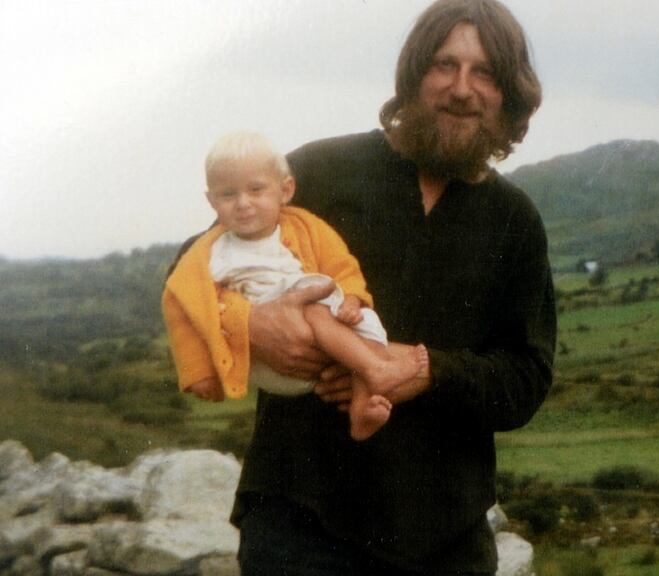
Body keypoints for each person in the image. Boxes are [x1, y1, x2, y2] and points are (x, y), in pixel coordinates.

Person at [177, 0, 555, 573]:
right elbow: (190, 268)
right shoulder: (321, 171)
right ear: (412, 76)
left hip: (445, 540)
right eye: (443, 65)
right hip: (300, 525)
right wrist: (251, 322)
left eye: (484, 73)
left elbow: (526, 378)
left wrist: (426, 370)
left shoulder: (515, 220)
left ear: (510, 94)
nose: (461, 88)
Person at [162, 132, 427, 440]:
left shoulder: (306, 226)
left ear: (285, 190)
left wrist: (353, 298)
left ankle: (361, 408)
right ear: (211, 201)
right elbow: (181, 302)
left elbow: (341, 265)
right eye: (228, 194)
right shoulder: (211, 251)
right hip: (268, 358)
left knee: (365, 324)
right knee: (315, 307)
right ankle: (376, 370)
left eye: (256, 189)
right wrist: (198, 372)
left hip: (323, 352)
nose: (243, 203)